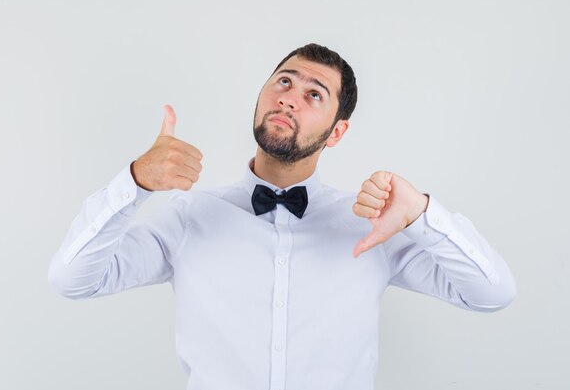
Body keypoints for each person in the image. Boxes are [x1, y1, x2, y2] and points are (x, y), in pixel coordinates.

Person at [48, 43, 516, 390]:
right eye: (284, 81)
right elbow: (74, 280)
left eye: (315, 95)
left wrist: (421, 215)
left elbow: (491, 294)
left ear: (337, 133)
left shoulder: (373, 225)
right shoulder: (191, 217)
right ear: (261, 97)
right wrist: (134, 182)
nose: (290, 98)